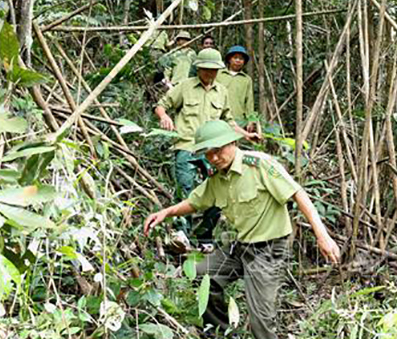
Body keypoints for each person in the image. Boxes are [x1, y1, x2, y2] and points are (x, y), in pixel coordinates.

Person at [144, 120, 341, 339]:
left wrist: (322, 235)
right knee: (201, 276)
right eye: (208, 154)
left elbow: (297, 193)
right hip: (241, 247)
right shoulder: (217, 179)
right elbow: (196, 202)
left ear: (233, 142)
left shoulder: (259, 165)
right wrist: (166, 212)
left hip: (269, 249)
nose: (214, 158)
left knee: (261, 321)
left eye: (217, 151)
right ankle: (223, 333)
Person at [155, 48, 258, 237]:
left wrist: (246, 135)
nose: (209, 73)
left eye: (213, 70)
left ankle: (205, 236)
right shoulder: (185, 86)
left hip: (213, 151)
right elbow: (162, 105)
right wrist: (164, 117)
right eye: (205, 69)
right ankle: (181, 235)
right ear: (198, 68)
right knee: (184, 188)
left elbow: (229, 121)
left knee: (218, 193)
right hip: (186, 146)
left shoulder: (222, 92)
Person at [216, 45, 256, 132]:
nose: (238, 61)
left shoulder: (246, 79)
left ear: (244, 62)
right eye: (235, 58)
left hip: (238, 120)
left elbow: (249, 101)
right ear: (229, 60)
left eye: (241, 59)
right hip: (218, 116)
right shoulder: (218, 74)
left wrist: (251, 120)